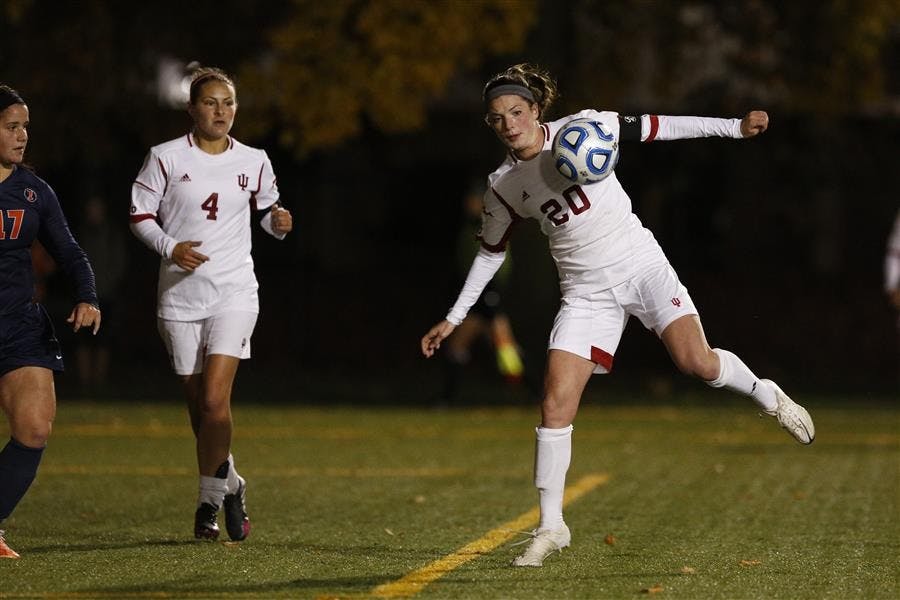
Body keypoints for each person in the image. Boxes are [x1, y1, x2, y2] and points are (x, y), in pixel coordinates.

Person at [420, 64, 815, 567]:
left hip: (641, 266)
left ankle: (768, 394)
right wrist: (454, 317)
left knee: (696, 363)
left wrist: (733, 127)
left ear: (536, 110)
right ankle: (550, 526)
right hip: (585, 293)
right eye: (497, 118)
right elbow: (492, 252)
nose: (509, 124)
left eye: (517, 112)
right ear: (490, 125)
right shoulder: (502, 185)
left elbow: (659, 125)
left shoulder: (587, 126)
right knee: (554, 403)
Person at [129, 67, 293, 542]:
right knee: (198, 409)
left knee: (215, 400)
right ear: (192, 109)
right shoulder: (164, 157)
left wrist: (277, 224)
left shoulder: (255, 159)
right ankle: (232, 481)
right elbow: (140, 216)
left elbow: (266, 216)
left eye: (228, 102)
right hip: (180, 296)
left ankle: (207, 505)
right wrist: (170, 247)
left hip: (235, 292)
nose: (221, 111)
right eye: (211, 102)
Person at [0, 85, 101, 559]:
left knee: (35, 428)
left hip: (18, 325)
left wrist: (88, 296)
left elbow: (69, 251)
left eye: (25, 127)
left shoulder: (33, 192)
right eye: (11, 126)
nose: (22, 136)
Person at [441, 182, 524, 401]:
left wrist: (493, 289)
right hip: (479, 293)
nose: (470, 204)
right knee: (504, 346)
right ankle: (531, 392)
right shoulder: (469, 227)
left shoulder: (491, 224)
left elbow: (497, 261)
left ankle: (448, 398)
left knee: (495, 346)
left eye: (475, 200)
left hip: (487, 292)